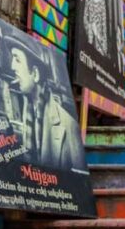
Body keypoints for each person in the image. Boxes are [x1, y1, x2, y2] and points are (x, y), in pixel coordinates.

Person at [6, 35, 85, 171]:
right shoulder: (28, 113)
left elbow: (79, 182)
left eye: (17, 60)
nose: (12, 66)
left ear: (35, 74)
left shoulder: (68, 125)